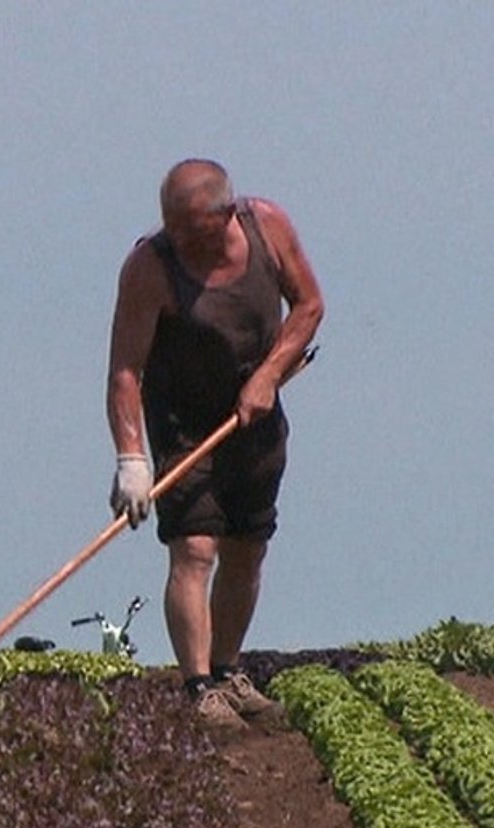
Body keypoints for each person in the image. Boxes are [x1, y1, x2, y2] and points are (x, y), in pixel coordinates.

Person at [105, 158, 324, 730]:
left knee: (247, 547)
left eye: (192, 234)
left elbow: (309, 307)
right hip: (184, 423)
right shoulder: (149, 267)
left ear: (226, 214)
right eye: (172, 230)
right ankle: (198, 687)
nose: (180, 244)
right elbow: (126, 369)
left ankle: (229, 672)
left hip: (255, 419)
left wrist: (267, 376)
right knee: (195, 548)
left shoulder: (267, 227)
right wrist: (131, 460)